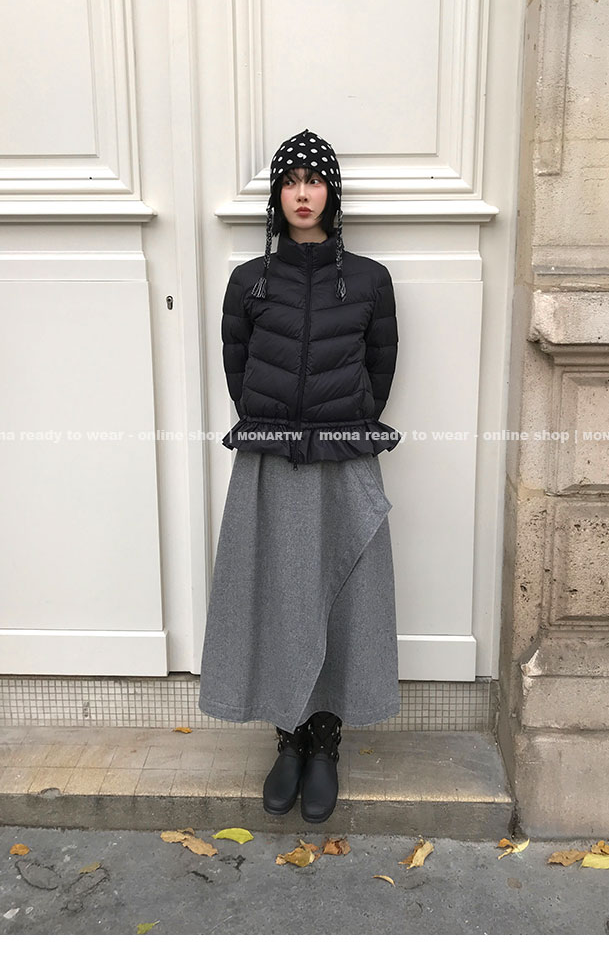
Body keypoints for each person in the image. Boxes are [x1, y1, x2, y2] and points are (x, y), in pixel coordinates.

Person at [198, 129, 401, 824]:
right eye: (291, 181)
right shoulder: (249, 280)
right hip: (273, 458)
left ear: (332, 193)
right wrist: (276, 421)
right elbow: (237, 366)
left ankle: (325, 741)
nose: (303, 193)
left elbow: (380, 367)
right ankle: (287, 739)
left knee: (342, 598)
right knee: (280, 596)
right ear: (277, 195)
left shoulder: (369, 280)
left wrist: (344, 418)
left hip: (344, 458)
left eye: (315, 180)